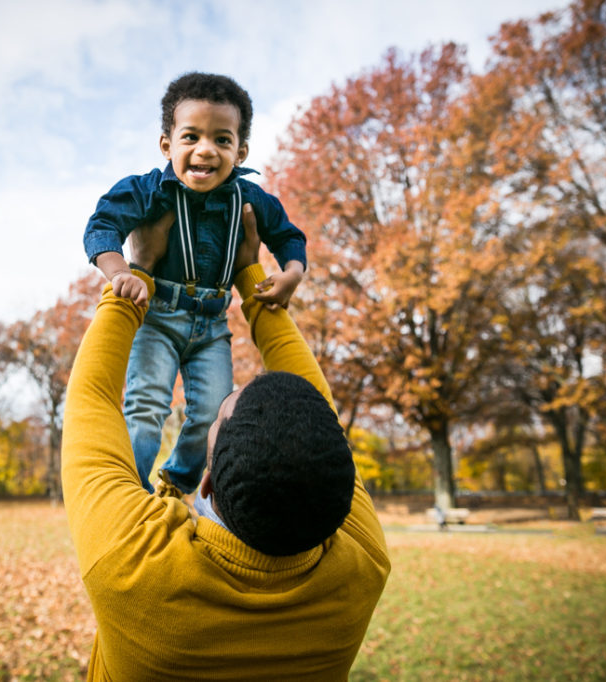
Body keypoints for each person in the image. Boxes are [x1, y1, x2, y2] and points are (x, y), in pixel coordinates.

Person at [62, 205, 390, 680]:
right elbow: (317, 412)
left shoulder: (132, 563)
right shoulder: (361, 567)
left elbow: (90, 397)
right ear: (343, 479)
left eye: (218, 416)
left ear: (209, 481)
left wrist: (140, 272)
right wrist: (248, 273)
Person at [83, 71, 307, 496]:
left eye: (222, 140)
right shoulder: (150, 191)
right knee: (147, 406)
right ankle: (129, 493)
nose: (206, 150)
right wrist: (120, 273)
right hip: (158, 318)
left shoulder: (251, 198)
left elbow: (289, 236)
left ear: (240, 151)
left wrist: (291, 273)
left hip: (212, 327)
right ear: (167, 145)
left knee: (212, 412)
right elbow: (102, 224)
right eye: (191, 137)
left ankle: (176, 482)